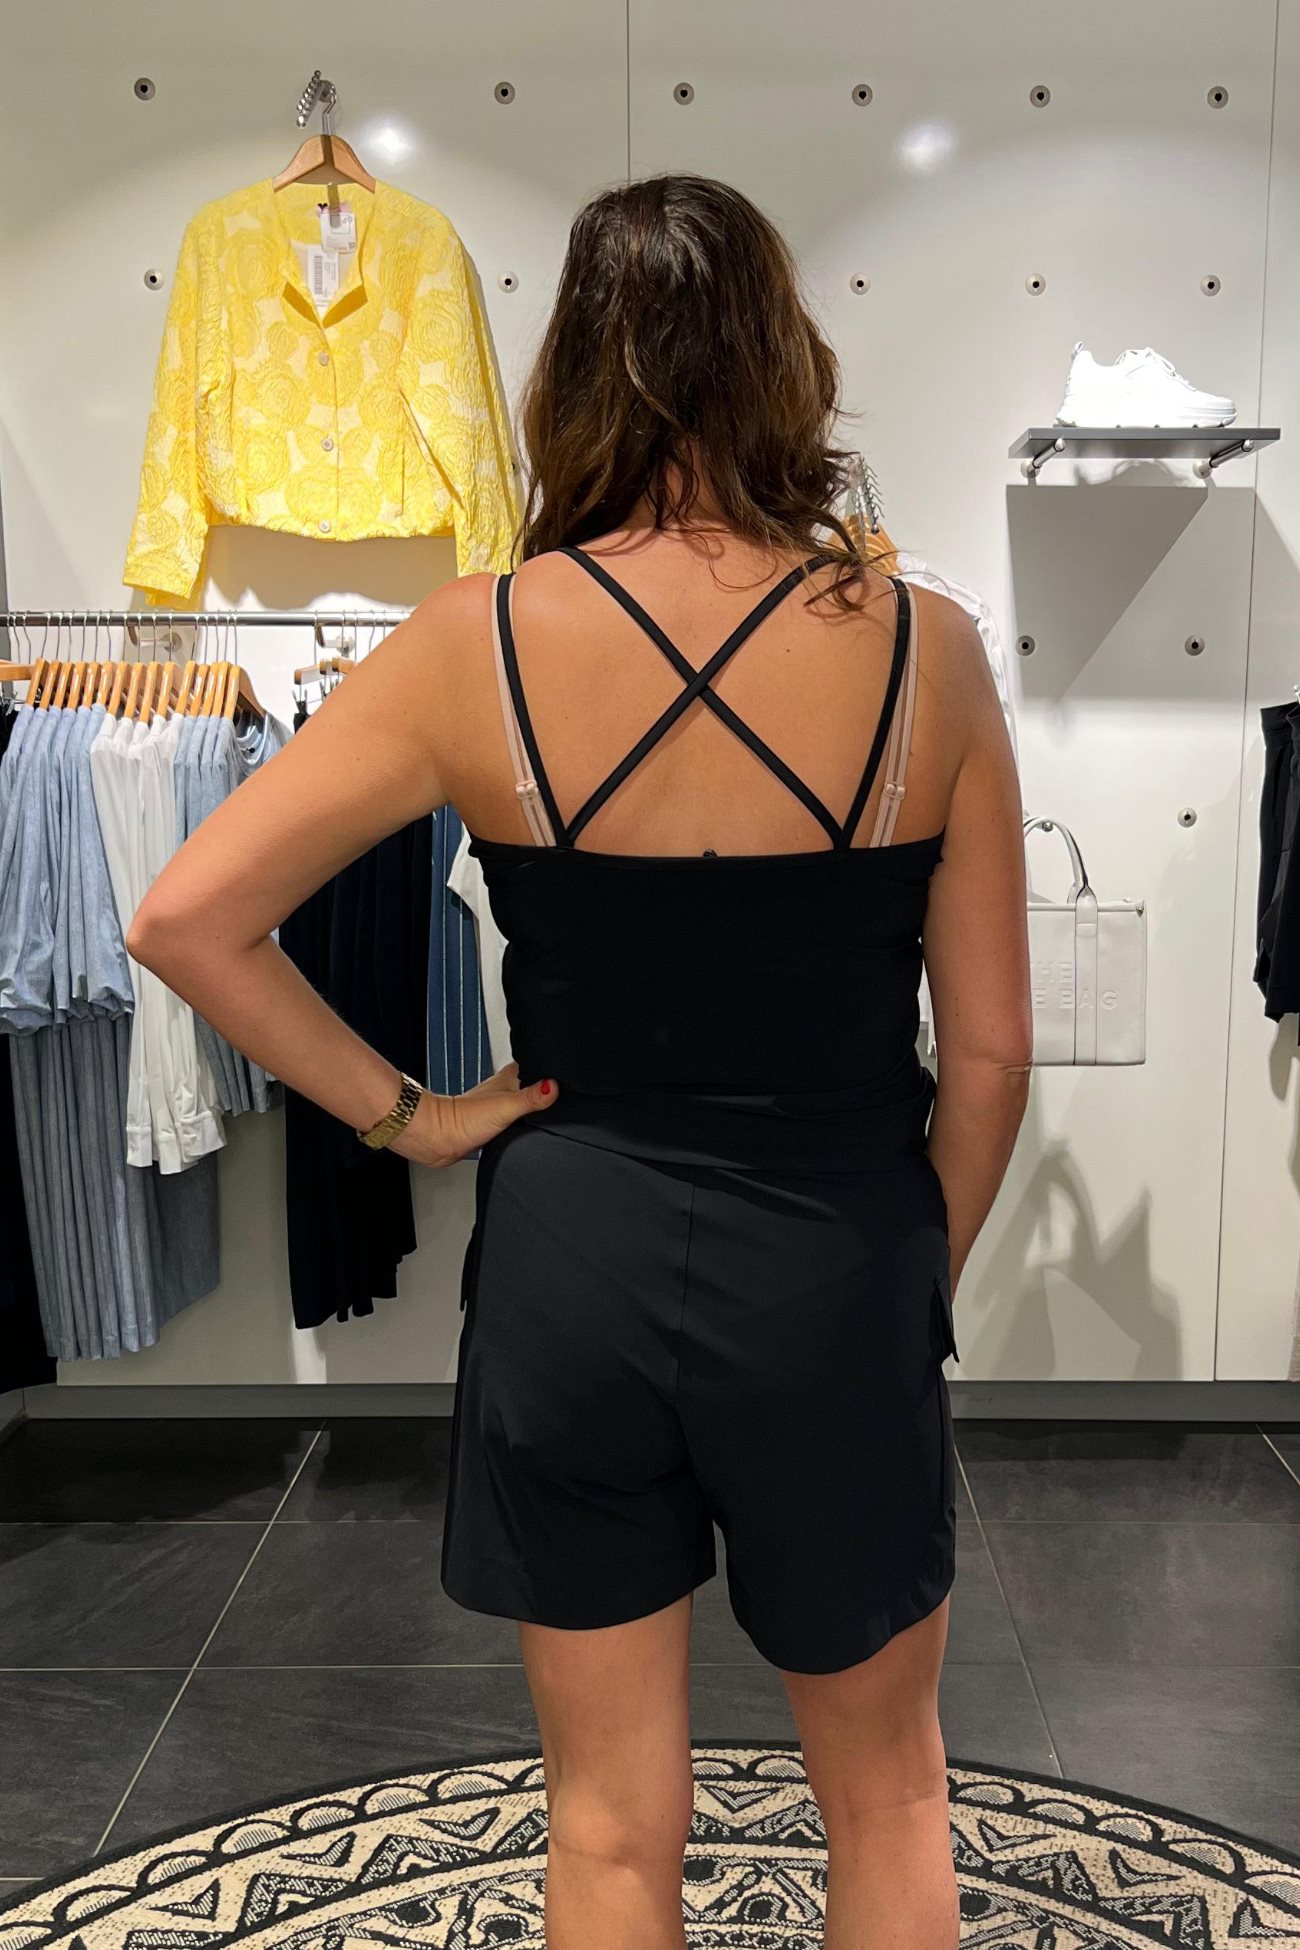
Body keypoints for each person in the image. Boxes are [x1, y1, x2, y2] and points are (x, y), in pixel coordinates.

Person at [131, 173, 1031, 1950]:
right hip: (836, 1246)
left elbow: (185, 918)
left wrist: (412, 1117)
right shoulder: (922, 647)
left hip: (572, 1259)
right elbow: (992, 1051)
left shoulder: (474, 639)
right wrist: (906, 1270)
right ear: (786, 360)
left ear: (570, 375)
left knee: (609, 1827)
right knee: (891, 1794)